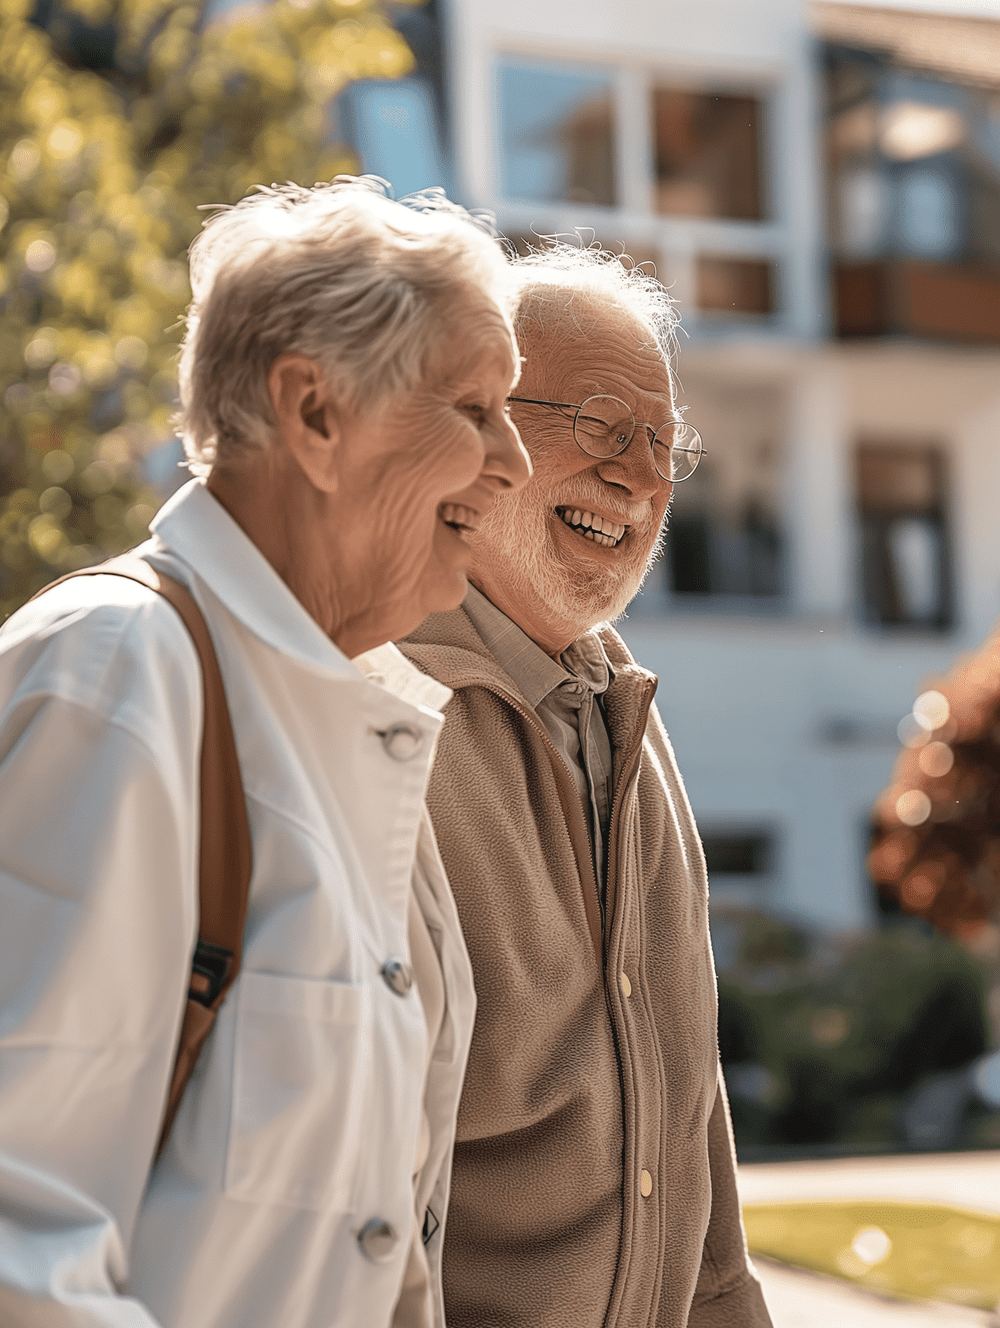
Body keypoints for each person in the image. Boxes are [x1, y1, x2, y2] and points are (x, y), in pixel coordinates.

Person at [0, 177, 530, 1328]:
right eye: (477, 408)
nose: (515, 463)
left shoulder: (349, 718)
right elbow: (20, 1246)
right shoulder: (118, 674)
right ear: (315, 411)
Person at [398, 245, 772, 1328]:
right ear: (475, 426)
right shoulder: (377, 712)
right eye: (602, 424)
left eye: (663, 443)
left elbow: (691, 1117)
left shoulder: (626, 713)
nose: (640, 478)